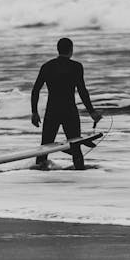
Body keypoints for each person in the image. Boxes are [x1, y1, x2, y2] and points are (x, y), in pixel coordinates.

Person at [30, 37, 103, 170]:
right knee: (76, 147)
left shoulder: (47, 66)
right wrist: (92, 112)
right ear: (71, 50)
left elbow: (35, 90)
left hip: (52, 111)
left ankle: (39, 174)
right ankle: (79, 172)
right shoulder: (76, 67)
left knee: (44, 148)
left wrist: (34, 112)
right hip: (69, 111)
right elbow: (82, 91)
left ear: (58, 49)